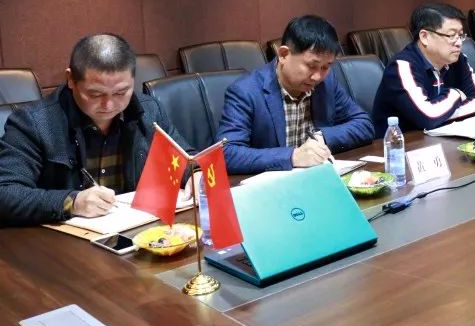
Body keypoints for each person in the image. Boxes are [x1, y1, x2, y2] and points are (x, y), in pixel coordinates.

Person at [0, 34, 193, 225]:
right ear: (70, 79)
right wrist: (72, 202)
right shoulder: (33, 123)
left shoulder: (149, 110)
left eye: (120, 92)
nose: (109, 105)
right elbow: (5, 193)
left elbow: (185, 157)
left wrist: (196, 173)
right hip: (64, 238)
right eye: (95, 94)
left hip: (136, 228)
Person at [218, 15, 374, 175]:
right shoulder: (246, 91)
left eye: (325, 67)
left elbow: (364, 124)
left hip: (317, 178)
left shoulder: (326, 83)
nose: (317, 77)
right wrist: (292, 156)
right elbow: (227, 153)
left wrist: (322, 137)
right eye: (311, 65)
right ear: (284, 55)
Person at [371, 3, 475, 133]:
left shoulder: (458, 60)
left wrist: (440, 116)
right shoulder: (402, 66)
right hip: (402, 142)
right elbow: (428, 117)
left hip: (441, 137)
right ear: (424, 37)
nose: (459, 43)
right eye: (451, 35)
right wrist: (456, 94)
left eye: (460, 35)